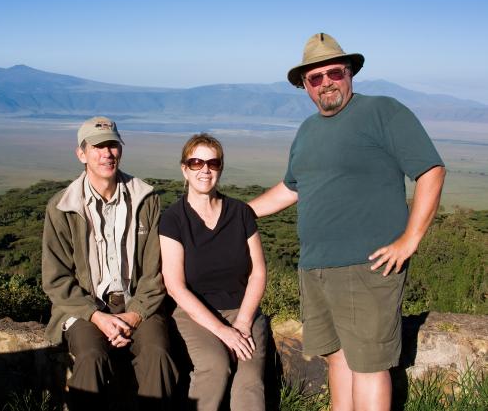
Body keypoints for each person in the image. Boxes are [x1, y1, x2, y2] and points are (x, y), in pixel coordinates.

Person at [249, 33, 445, 411]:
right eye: (315, 78)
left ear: (350, 72)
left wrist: (409, 240)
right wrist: (237, 212)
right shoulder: (307, 131)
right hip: (315, 268)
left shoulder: (383, 112)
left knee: (369, 367)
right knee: (336, 359)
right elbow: (292, 188)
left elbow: (431, 171)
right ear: (304, 86)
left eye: (334, 73)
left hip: (367, 266)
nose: (326, 83)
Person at [41, 116, 178, 410]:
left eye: (112, 145)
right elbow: (56, 279)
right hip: (85, 307)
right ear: (82, 153)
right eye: (98, 146)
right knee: (91, 359)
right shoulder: (62, 206)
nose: (107, 153)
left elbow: (155, 271)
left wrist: (134, 315)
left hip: (138, 302)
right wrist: (97, 317)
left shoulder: (145, 199)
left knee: (158, 355)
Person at [159, 133, 268, 411]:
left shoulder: (240, 213)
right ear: (184, 169)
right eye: (196, 162)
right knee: (214, 367)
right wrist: (222, 331)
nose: (204, 169)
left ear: (221, 168)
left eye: (212, 163)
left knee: (250, 380)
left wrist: (242, 323)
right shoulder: (173, 219)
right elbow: (175, 286)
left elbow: (258, 272)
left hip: (242, 309)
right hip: (193, 314)